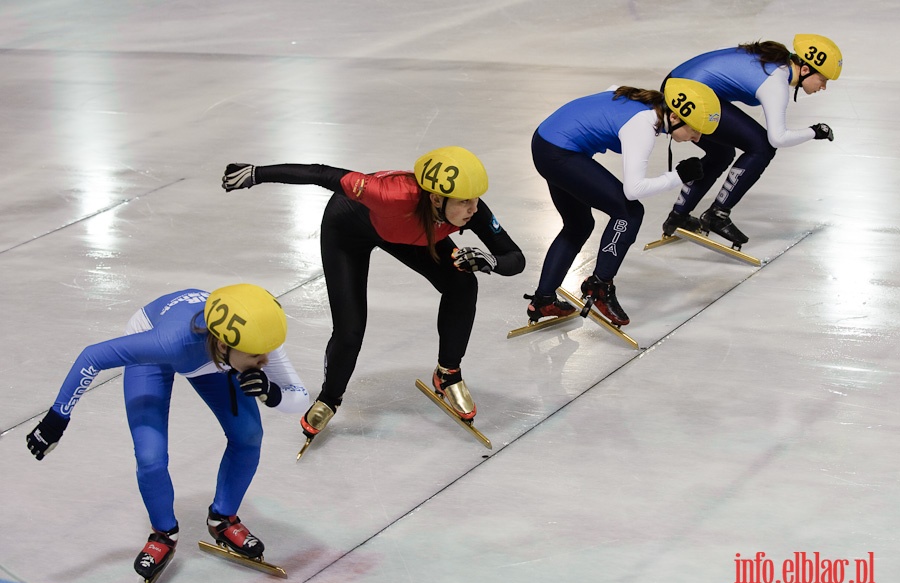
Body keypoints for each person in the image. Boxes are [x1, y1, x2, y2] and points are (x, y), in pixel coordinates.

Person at [221, 146, 524, 441]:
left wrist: (492, 261)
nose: (474, 209)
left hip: (408, 233)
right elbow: (321, 174)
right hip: (348, 228)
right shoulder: (387, 193)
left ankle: (447, 373)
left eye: (476, 199)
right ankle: (330, 397)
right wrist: (255, 173)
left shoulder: (472, 210)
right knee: (350, 329)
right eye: (465, 202)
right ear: (435, 198)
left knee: (464, 282)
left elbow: (515, 258)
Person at [26, 284, 308, 581]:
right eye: (256, 357)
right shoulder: (167, 342)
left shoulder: (257, 335)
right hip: (162, 348)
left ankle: (222, 519)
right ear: (224, 345)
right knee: (151, 456)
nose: (264, 362)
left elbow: (298, 395)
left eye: (267, 353)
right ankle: (164, 533)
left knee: (249, 435)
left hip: (211, 354)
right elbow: (91, 357)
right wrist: (57, 417)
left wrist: (273, 393)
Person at [526, 78, 721, 326]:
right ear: (674, 118)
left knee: (578, 225)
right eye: (694, 130)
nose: (696, 137)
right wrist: (678, 176)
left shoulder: (644, 100)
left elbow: (608, 93)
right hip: (559, 152)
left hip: (547, 142)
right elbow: (634, 189)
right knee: (629, 212)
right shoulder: (644, 124)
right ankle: (600, 286)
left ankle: (543, 300)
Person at [659, 34, 842, 246]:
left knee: (722, 153)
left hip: (676, 87)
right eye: (823, 79)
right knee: (762, 147)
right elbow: (778, 138)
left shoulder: (775, 63)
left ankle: (678, 216)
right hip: (687, 92)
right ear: (805, 69)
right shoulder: (776, 81)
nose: (823, 87)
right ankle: (717, 215)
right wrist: (814, 131)